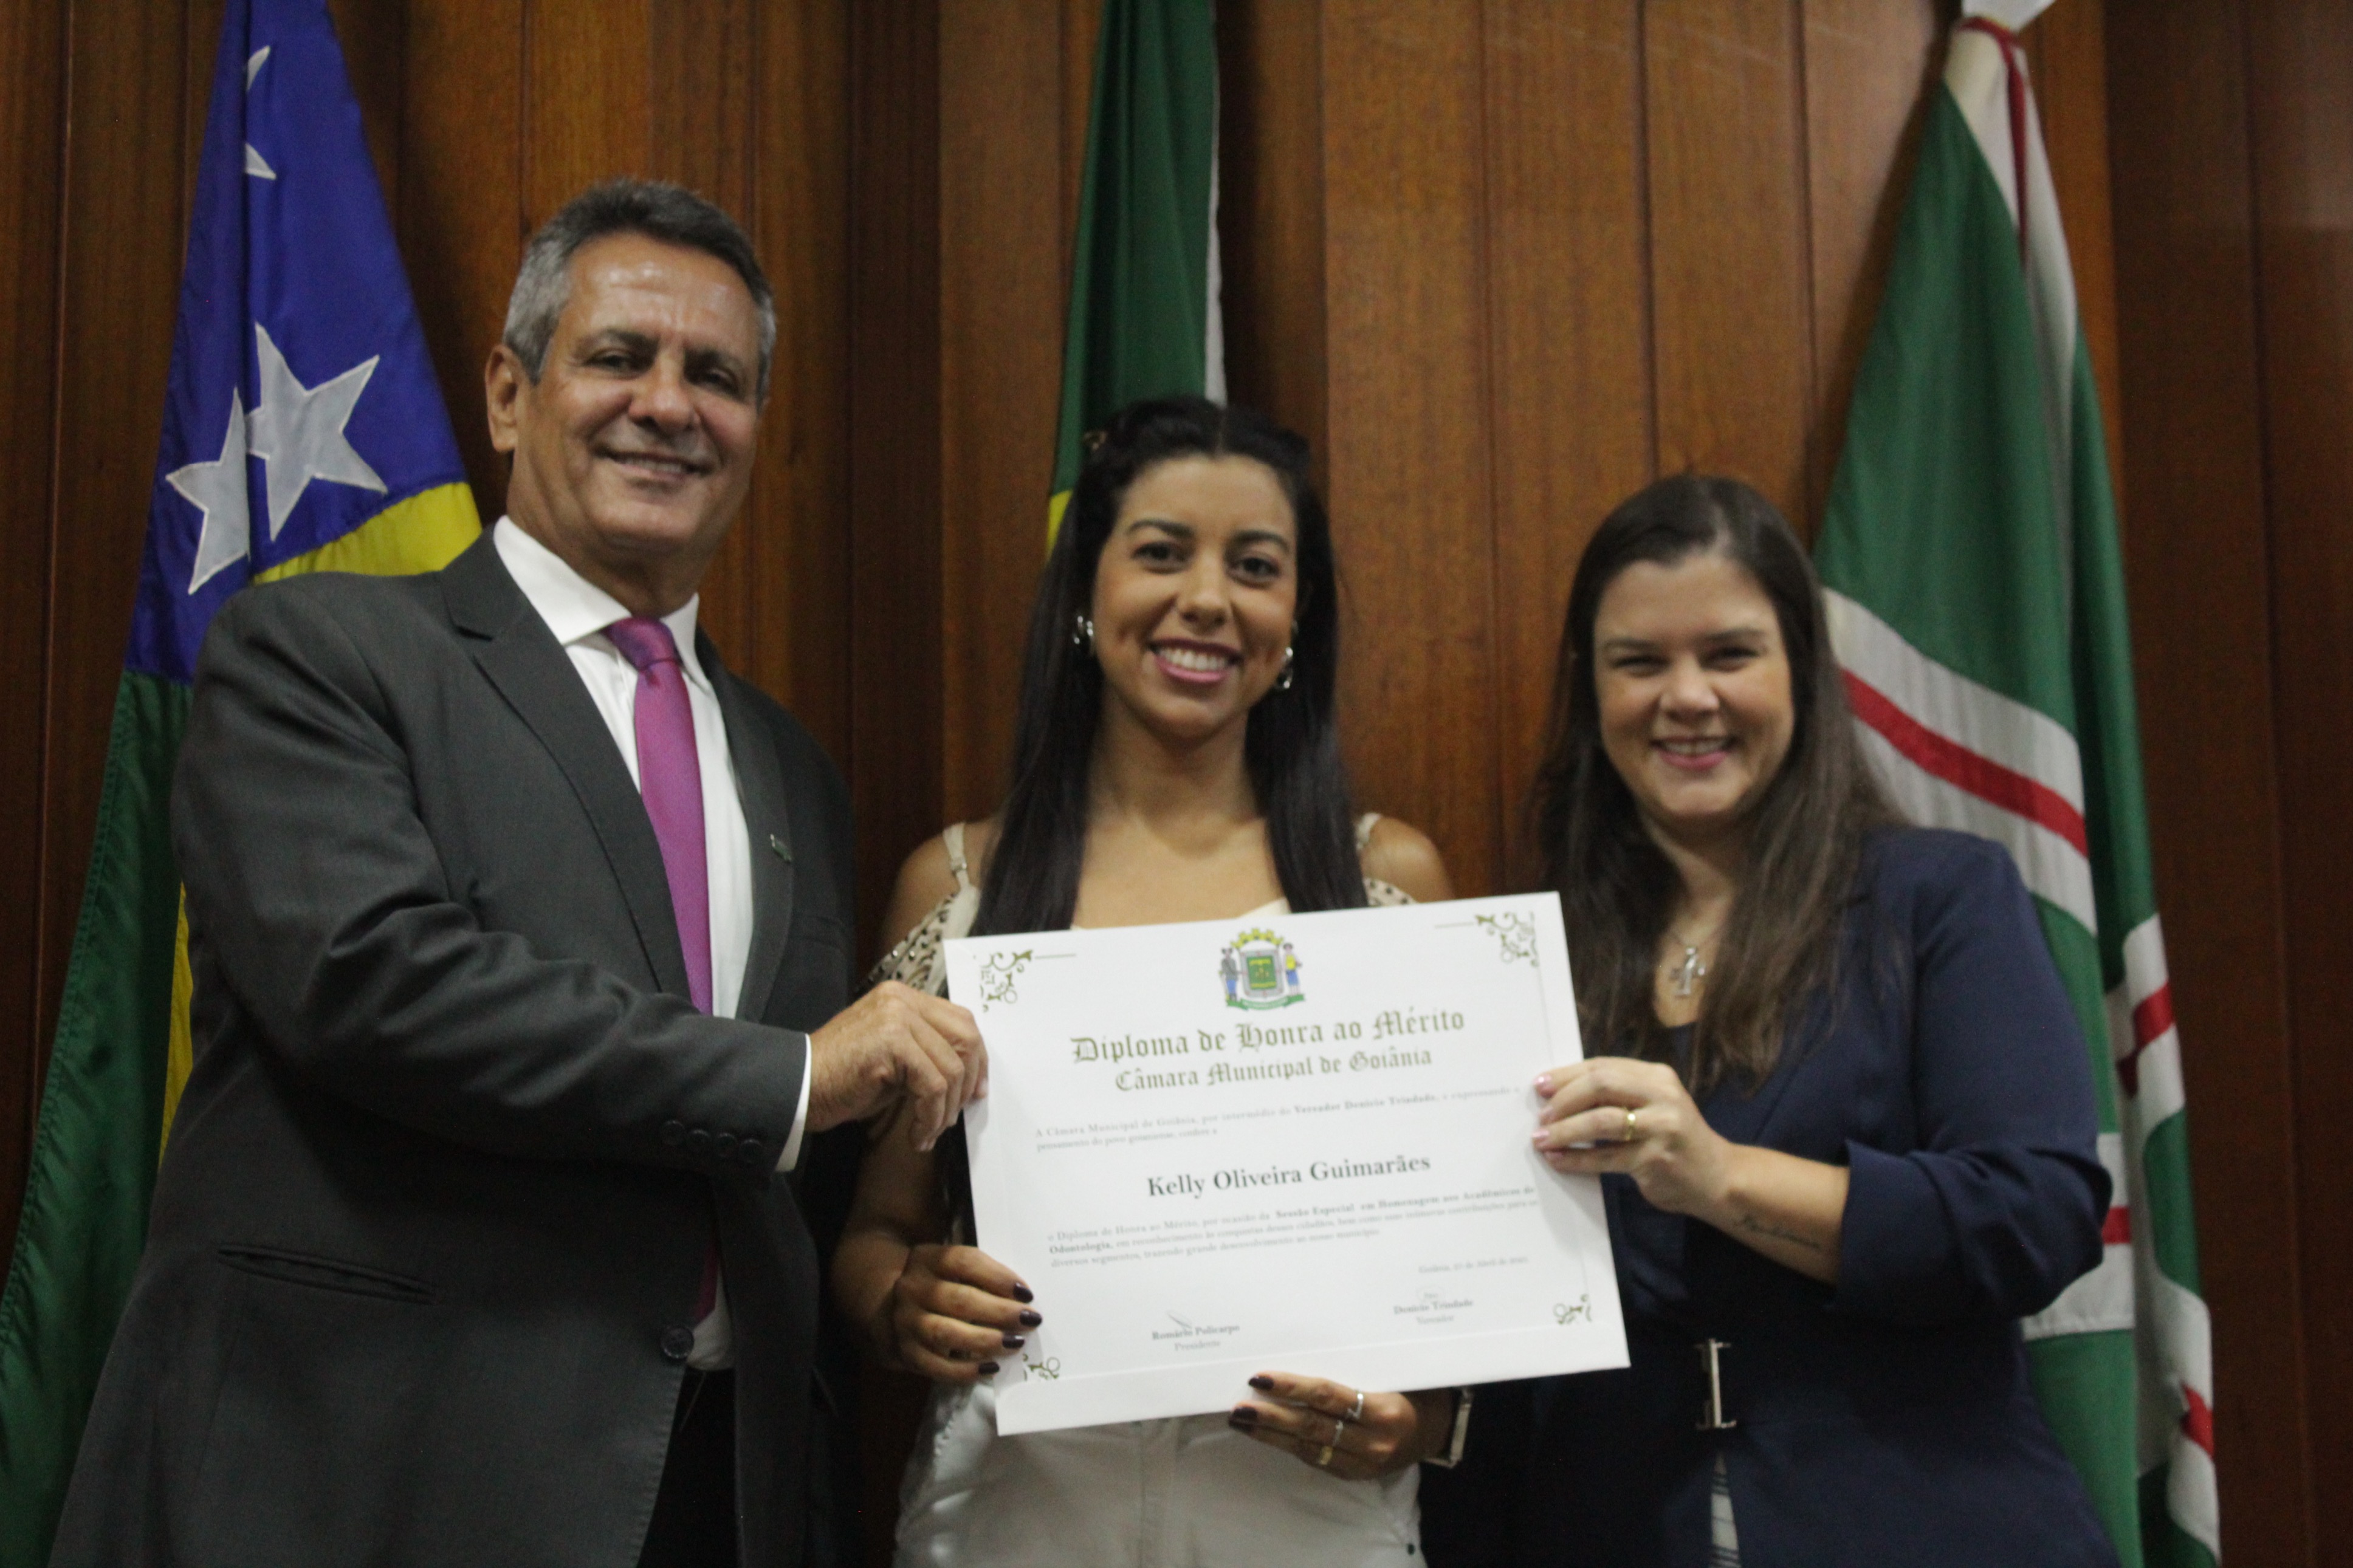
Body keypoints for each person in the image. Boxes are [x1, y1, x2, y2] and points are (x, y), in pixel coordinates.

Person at [50, 180, 983, 1568]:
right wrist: (794, 1076)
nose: (667, 404)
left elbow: (790, 1184)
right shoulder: (317, 654)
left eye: (716, 376)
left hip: (711, 1497)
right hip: (375, 1483)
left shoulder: (793, 769)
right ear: (507, 392)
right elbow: (374, 984)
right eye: (618, 356)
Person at [1420, 474, 2118, 1567]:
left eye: (1730, 654)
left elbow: (2038, 1215)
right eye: (1639, 662)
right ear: (1590, 689)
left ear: (1801, 667)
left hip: (1922, 1523)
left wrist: (1722, 1177)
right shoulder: (1525, 953)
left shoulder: (1939, 896)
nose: (1686, 696)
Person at [835, 397, 1469, 1566]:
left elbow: (1458, 1260)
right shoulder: (962, 883)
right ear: (1087, 591)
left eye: (1256, 566)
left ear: (1298, 613)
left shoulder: (1385, 883)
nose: (1208, 598)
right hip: (1014, 1511)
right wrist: (902, 1300)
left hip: (1310, 1521)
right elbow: (876, 1227)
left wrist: (1421, 1420)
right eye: (1163, 552)